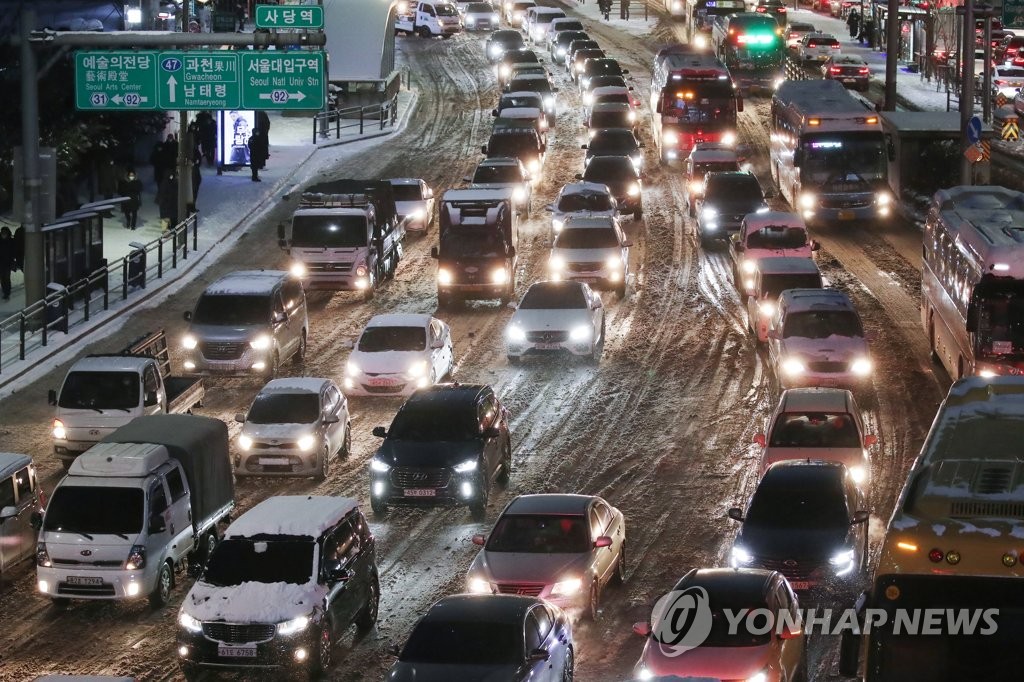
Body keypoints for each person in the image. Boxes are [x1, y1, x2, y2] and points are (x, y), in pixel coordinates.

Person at [0, 227, 14, 300]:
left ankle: (7, 292)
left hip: (8, 263)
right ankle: (5, 291)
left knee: (6, 278)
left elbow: (13, 252)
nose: (3, 234)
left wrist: (12, 261)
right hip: (1, 263)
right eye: (2, 233)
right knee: (2, 278)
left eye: (4, 233)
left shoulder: (11, 241)